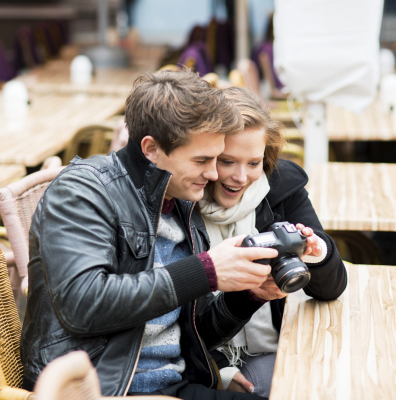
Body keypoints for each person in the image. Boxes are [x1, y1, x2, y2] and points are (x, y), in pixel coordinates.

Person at [21, 70, 289, 400]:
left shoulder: (178, 202)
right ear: (151, 149)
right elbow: (83, 305)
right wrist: (205, 271)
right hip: (103, 389)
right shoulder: (82, 192)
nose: (214, 173)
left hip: (173, 385)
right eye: (202, 160)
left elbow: (196, 332)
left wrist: (249, 295)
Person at [199, 87, 347, 397]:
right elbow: (173, 322)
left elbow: (331, 289)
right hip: (207, 357)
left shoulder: (280, 188)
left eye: (253, 163)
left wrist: (317, 254)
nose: (241, 177)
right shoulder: (183, 198)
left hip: (280, 341)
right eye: (228, 161)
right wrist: (217, 369)